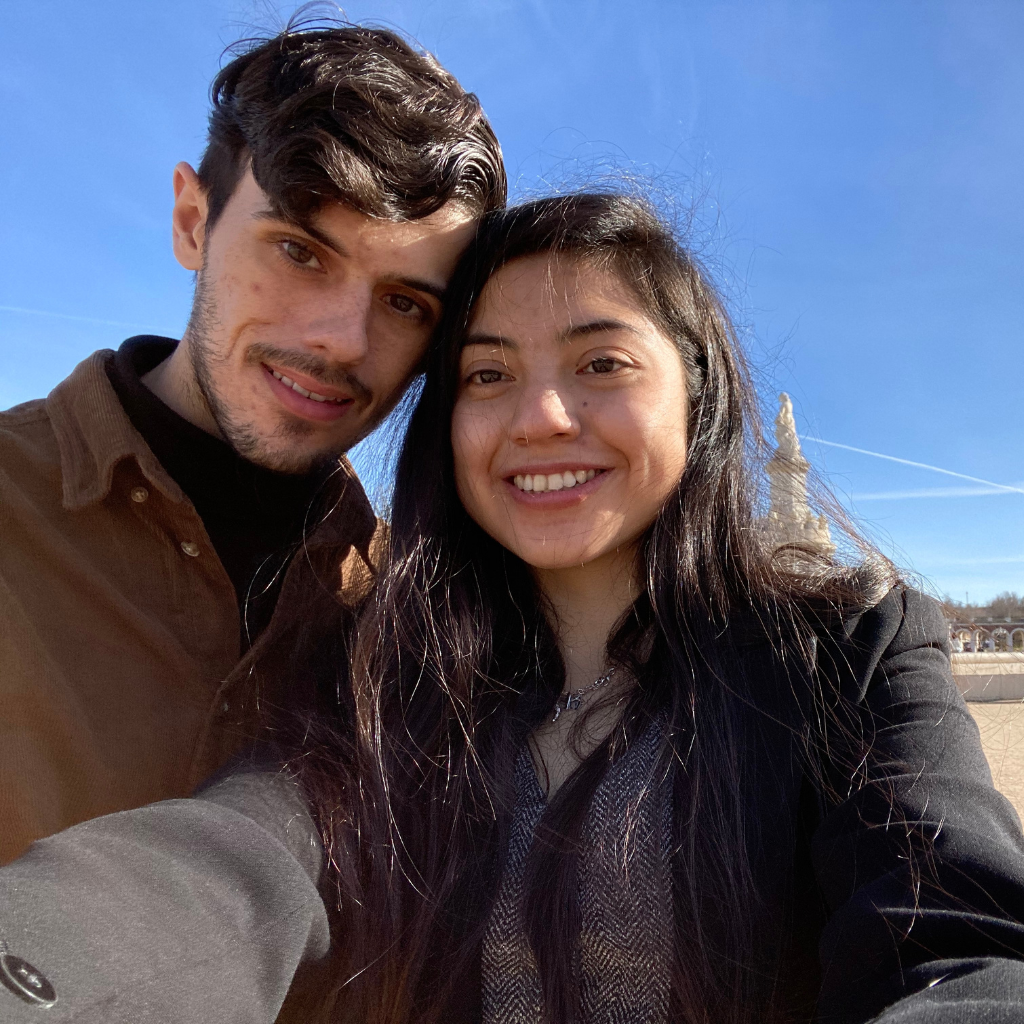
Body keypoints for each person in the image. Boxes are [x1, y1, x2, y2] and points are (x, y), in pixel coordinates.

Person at [2, 194, 1024, 1023]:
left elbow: (961, 943)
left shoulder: (851, 650)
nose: (539, 417)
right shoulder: (382, 669)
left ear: (698, 394)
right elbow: (231, 867)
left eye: (600, 363)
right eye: (487, 374)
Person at [0, 19, 505, 864]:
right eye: (300, 252)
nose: (343, 340)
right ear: (192, 221)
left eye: (404, 303)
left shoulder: (415, 618)